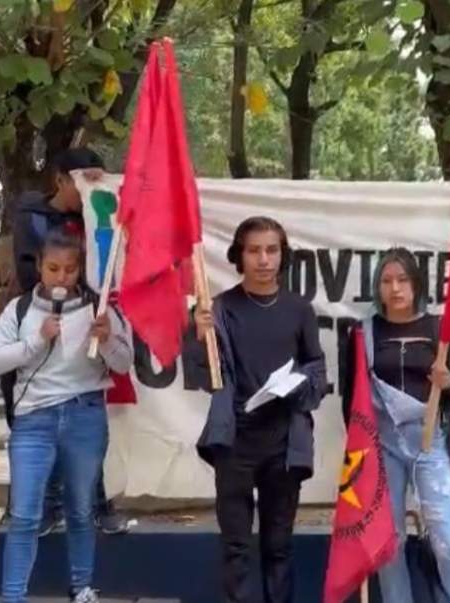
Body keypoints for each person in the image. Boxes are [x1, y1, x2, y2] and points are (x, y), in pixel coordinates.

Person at [0, 228, 133, 603]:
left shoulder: (99, 308)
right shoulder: (19, 309)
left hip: (85, 415)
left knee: (81, 508)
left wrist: (108, 339)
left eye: (70, 269)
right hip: (35, 418)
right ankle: (13, 595)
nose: (61, 277)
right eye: (53, 268)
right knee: (24, 513)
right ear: (40, 267)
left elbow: (123, 363)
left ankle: (82, 587)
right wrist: (38, 339)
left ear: (80, 269)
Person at [188, 216, 328, 603]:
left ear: (283, 256)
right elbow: (203, 375)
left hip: (284, 443)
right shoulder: (218, 309)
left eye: (272, 250)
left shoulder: (300, 310)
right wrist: (201, 338)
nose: (264, 259)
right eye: (254, 251)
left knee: (278, 545)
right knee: (236, 547)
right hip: (234, 442)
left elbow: (317, 369)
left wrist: (295, 385)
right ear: (239, 255)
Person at [341, 247, 450, 603]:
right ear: (377, 287)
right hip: (381, 448)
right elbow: (350, 398)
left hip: (431, 444)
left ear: (416, 284)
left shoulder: (441, 330)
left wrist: (449, 384)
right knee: (389, 540)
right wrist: (362, 450)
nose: (394, 288)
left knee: (447, 542)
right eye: (386, 281)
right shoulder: (363, 333)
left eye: (402, 280)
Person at [12, 147, 129, 536]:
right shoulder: (34, 220)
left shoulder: (100, 212)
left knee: (88, 424)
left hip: (91, 327)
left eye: (98, 179)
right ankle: (45, 509)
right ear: (61, 180)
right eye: (83, 180)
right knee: (44, 429)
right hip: (46, 328)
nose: (90, 189)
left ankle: (99, 505)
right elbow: (33, 275)